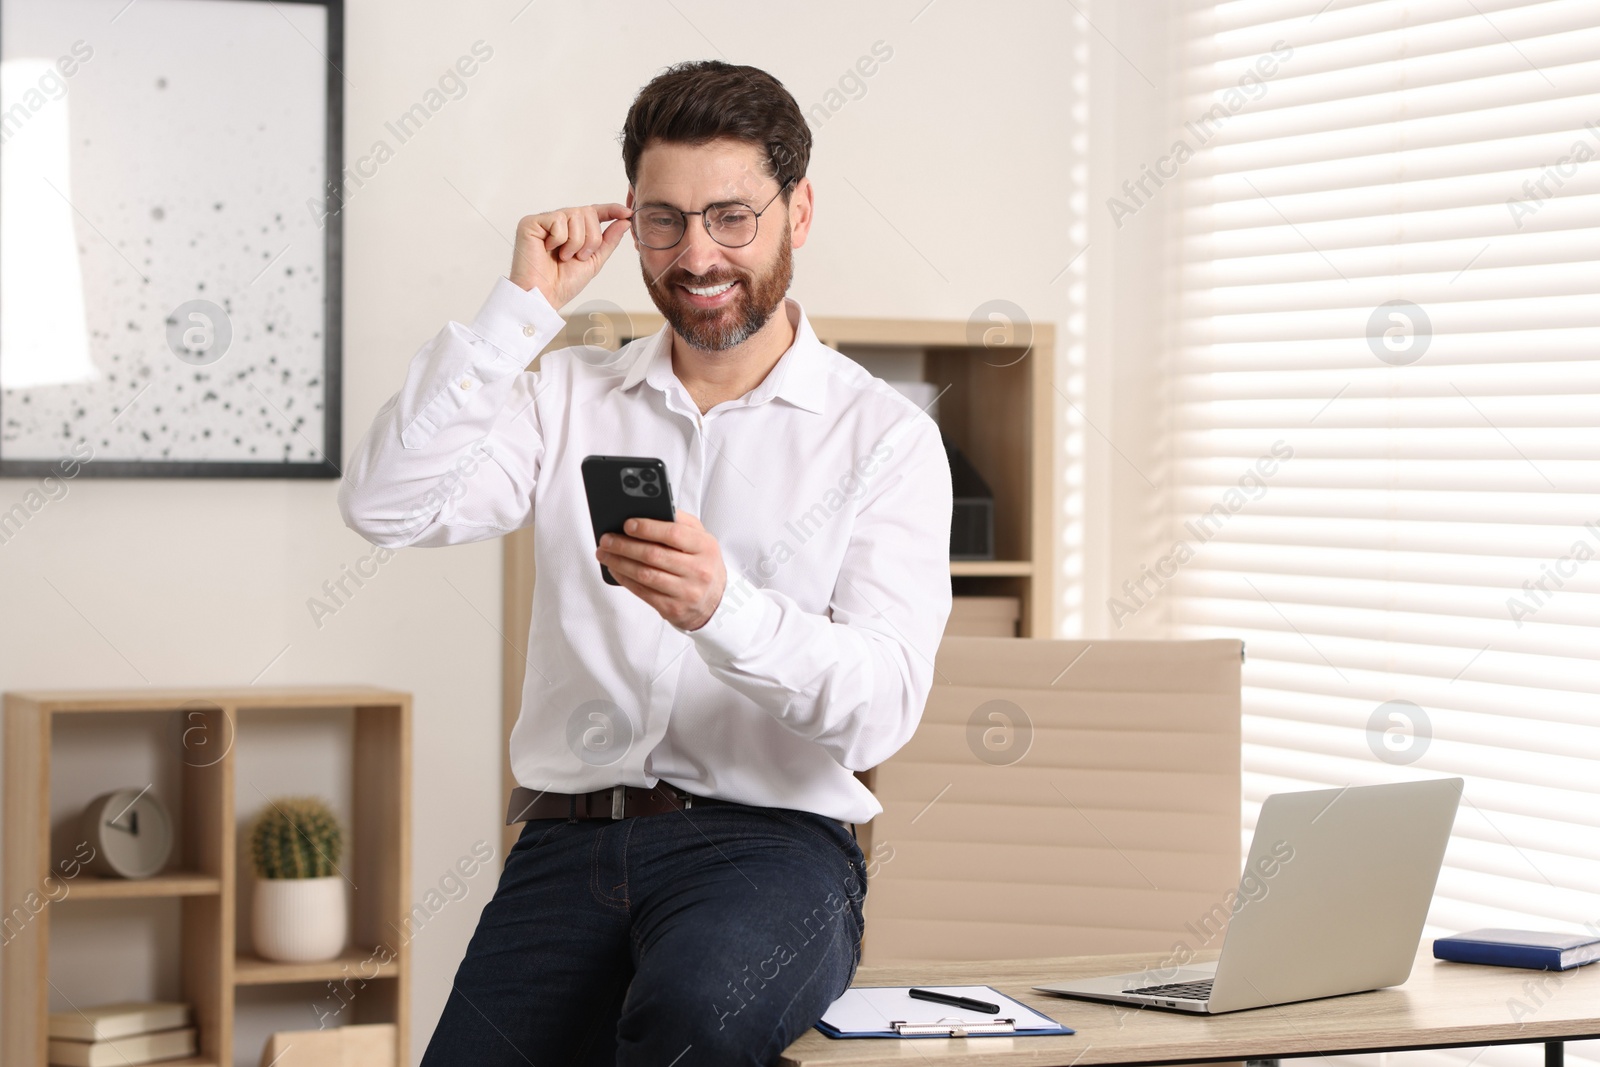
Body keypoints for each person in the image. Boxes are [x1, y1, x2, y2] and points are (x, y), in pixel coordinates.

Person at [338, 59, 952, 1065]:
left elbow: (880, 705)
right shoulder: (565, 397)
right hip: (571, 840)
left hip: (773, 847)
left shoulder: (879, 436)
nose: (696, 254)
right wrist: (518, 312)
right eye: (662, 220)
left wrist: (724, 609)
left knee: (692, 1019)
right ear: (628, 219)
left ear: (799, 209)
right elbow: (384, 506)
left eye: (730, 217)